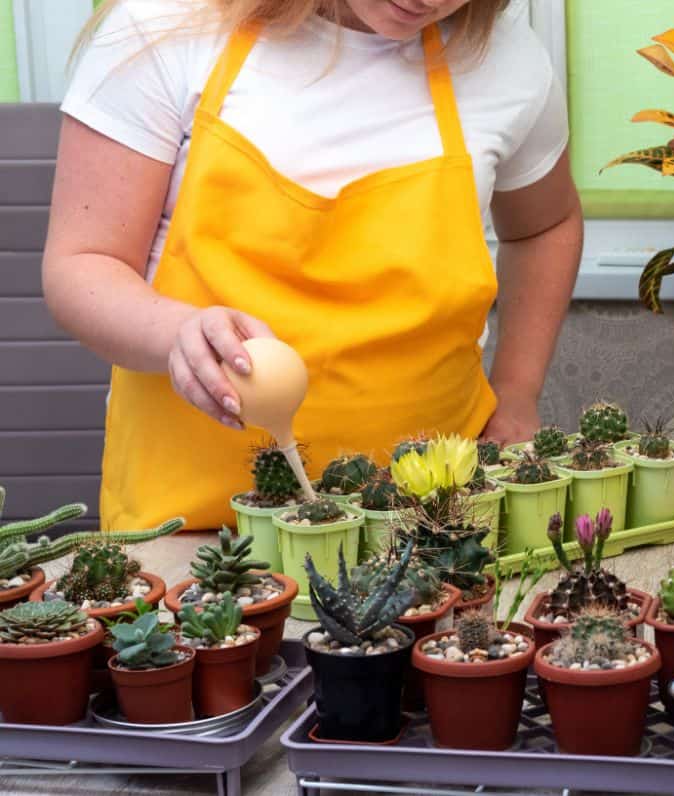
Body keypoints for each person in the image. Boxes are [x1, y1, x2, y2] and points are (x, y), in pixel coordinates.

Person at [43, 0, 582, 530]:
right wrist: (178, 333)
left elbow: (544, 227)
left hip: (430, 527)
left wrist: (516, 390)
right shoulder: (164, 26)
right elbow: (83, 263)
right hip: (194, 538)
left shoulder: (506, 59)